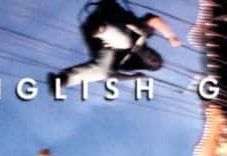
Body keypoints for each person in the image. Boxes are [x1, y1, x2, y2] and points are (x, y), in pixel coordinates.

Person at [51, 0, 180, 90]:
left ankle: (63, 79)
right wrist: (170, 36)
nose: (152, 56)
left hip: (95, 36)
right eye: (156, 56)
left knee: (102, 71)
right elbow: (154, 20)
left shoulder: (125, 63)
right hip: (109, 16)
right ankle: (103, 30)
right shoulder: (143, 37)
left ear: (145, 64)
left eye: (153, 61)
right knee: (127, 43)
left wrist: (133, 77)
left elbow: (110, 76)